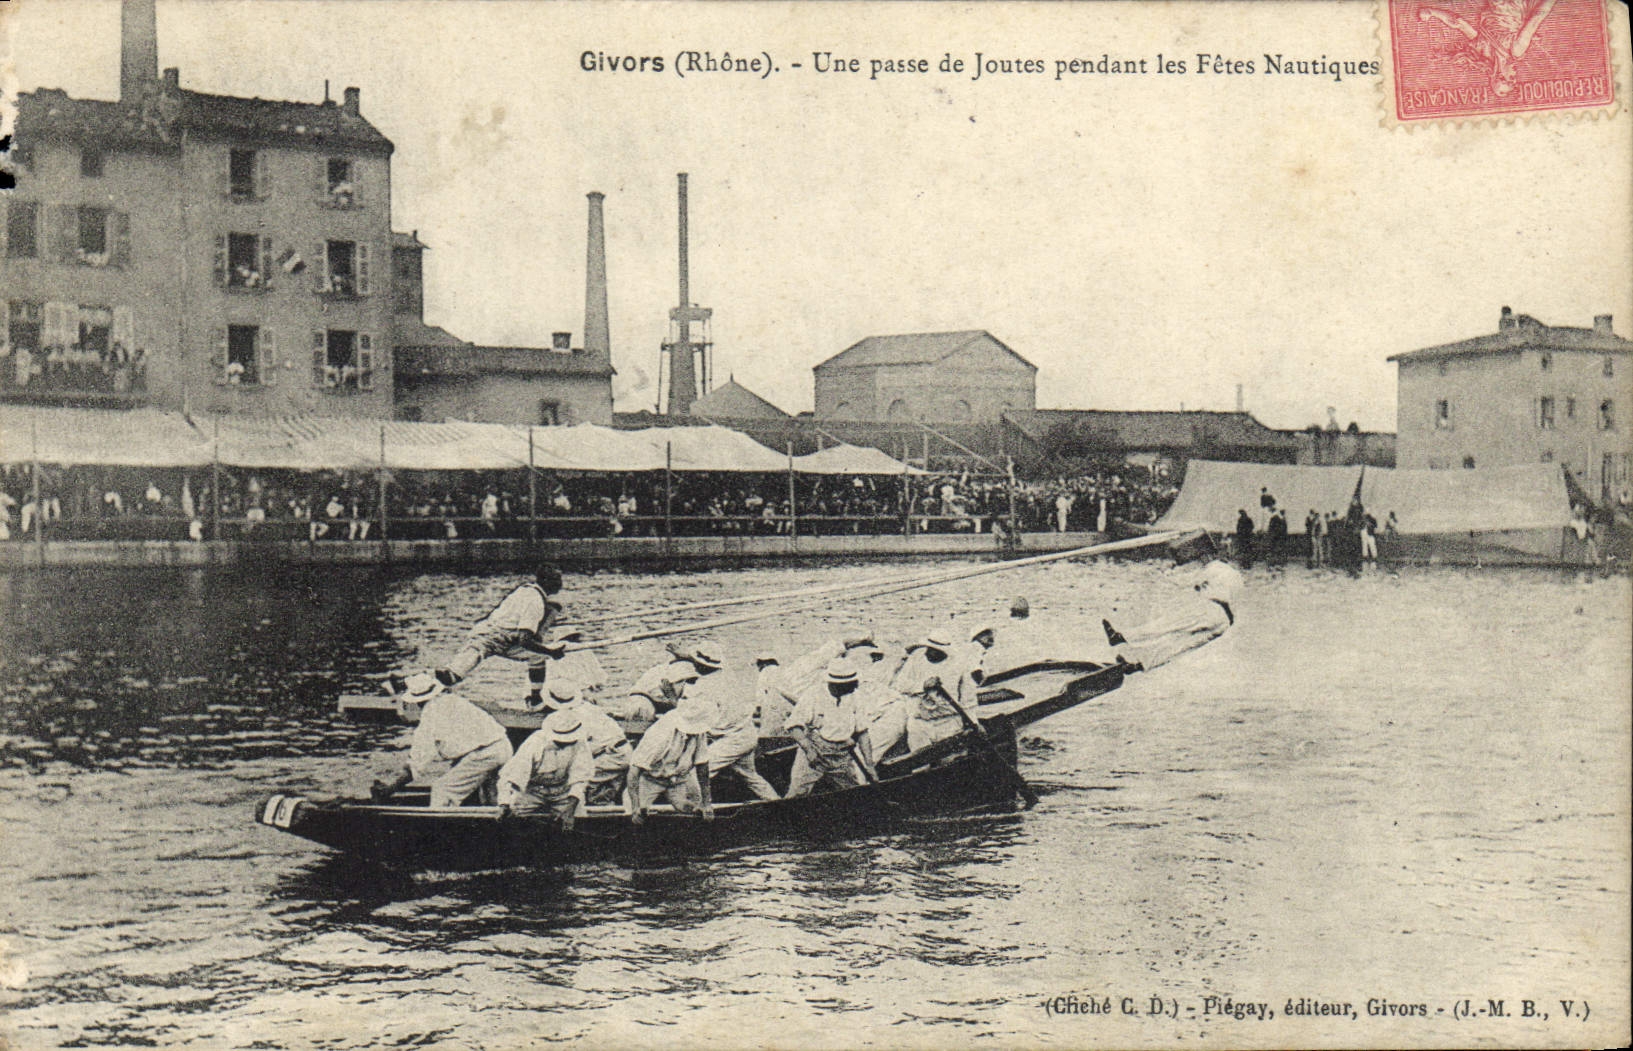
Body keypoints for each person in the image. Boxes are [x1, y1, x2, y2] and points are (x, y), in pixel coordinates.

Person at [371, 671, 513, 808]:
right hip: (503, 746)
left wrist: (389, 790)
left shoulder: (429, 717)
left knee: (442, 789)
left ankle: (440, 829)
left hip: (487, 754)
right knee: (490, 796)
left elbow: (415, 766)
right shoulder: (452, 700)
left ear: (416, 701)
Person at [1103, 536, 1242, 674]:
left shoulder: (1211, 568)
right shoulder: (1232, 573)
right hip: (1225, 621)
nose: (1198, 562)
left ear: (1205, 556)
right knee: (1180, 646)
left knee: (1167, 625)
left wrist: (1167, 571)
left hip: (1212, 610)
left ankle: (1122, 636)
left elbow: (1182, 581)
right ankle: (1139, 665)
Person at [433, 565, 566, 707]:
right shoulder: (535, 602)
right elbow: (525, 640)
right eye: (556, 579)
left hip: (496, 633)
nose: (560, 584)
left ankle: (536, 699)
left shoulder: (525, 589)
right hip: (491, 637)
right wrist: (551, 652)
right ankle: (425, 689)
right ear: (545, 580)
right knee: (453, 675)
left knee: (537, 656)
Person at [785, 658, 876, 797]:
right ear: (837, 685)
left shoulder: (856, 697)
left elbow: (862, 733)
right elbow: (793, 726)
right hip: (815, 752)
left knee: (852, 794)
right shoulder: (813, 695)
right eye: (850, 685)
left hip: (842, 755)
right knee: (797, 793)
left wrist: (869, 764)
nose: (854, 687)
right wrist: (808, 750)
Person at [627, 695, 718, 824]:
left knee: (697, 810)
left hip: (679, 779)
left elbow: (702, 766)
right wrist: (635, 806)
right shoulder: (660, 734)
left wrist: (706, 802)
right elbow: (634, 770)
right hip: (651, 779)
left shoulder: (699, 731)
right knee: (632, 814)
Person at [497, 708, 595, 828]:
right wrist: (504, 804)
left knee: (580, 821)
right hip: (532, 791)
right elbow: (512, 776)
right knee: (513, 818)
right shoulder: (534, 742)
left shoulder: (580, 743)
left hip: (563, 791)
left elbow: (580, 778)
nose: (566, 743)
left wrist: (570, 810)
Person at [542, 678, 630, 806]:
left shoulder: (572, 718)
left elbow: (579, 748)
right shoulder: (588, 707)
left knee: (575, 781)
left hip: (612, 756)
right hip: (621, 751)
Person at [705, 663, 781, 802]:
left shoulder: (710, 688)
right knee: (750, 776)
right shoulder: (728, 680)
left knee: (701, 771)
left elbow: (704, 722)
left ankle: (700, 808)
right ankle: (777, 802)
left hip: (734, 740)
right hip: (746, 735)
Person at [545, 629, 606, 697]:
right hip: (584, 689)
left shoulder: (550, 650)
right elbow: (597, 671)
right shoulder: (584, 649)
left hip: (560, 691)